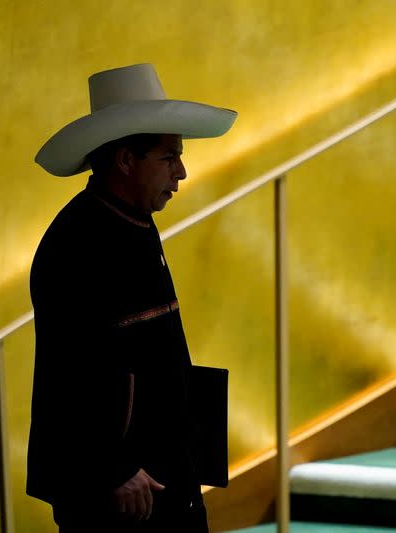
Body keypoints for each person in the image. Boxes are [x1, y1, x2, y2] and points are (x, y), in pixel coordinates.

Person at [27, 63, 236, 532]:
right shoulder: (79, 239)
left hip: (163, 481)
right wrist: (113, 467)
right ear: (125, 160)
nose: (181, 172)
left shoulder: (131, 221)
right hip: (122, 493)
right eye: (168, 157)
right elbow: (72, 368)